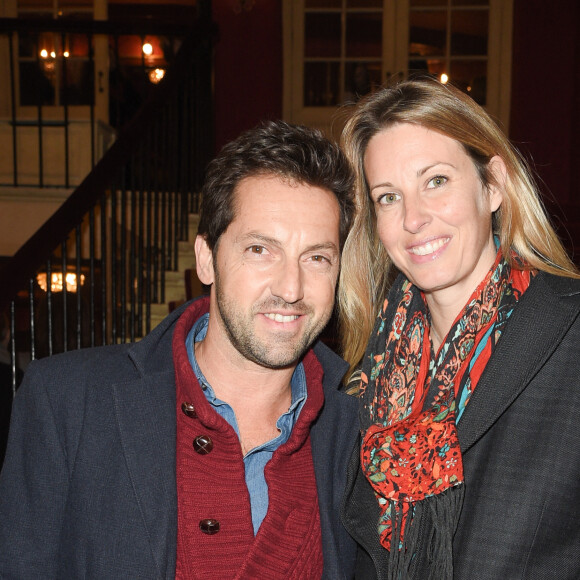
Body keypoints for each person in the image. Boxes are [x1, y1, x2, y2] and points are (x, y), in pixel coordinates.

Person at [0, 120, 359, 579]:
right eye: (259, 250)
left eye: (317, 257)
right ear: (206, 258)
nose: (290, 288)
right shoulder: (67, 402)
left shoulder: (356, 430)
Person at [337, 77, 580, 579]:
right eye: (388, 197)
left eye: (436, 181)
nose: (413, 219)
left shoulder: (569, 334)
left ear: (493, 184)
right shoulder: (372, 367)